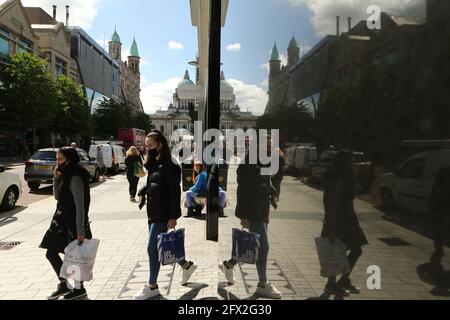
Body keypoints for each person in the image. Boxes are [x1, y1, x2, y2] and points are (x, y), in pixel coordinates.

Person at [133, 130, 197, 300]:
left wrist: (173, 216)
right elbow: (155, 182)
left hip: (163, 212)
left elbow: (174, 191)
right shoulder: (154, 162)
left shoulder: (170, 163)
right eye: (146, 146)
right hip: (152, 211)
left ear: (160, 144)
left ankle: (152, 285)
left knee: (152, 247)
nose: (148, 149)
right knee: (161, 246)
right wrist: (144, 189)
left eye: (151, 145)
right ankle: (186, 265)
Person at [219, 134, 284, 299]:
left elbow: (268, 181)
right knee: (263, 247)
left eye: (271, 146)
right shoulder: (247, 164)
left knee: (252, 244)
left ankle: (228, 265)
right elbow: (242, 192)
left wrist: (272, 193)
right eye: (267, 147)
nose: (270, 149)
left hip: (263, 210)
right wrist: (244, 215)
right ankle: (263, 284)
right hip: (253, 212)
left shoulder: (263, 162)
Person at [40, 147, 93, 300]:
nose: (57, 162)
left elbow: (80, 204)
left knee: (74, 256)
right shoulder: (65, 174)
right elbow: (57, 196)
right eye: (56, 159)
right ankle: (64, 284)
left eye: (60, 159)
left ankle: (79, 288)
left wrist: (80, 230)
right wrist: (56, 177)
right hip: (60, 219)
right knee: (50, 252)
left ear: (69, 159)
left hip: (73, 222)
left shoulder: (76, 176)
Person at [321, 150, 368, 297]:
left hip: (348, 219)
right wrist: (331, 227)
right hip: (339, 220)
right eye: (350, 160)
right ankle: (333, 284)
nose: (353, 163)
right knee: (336, 252)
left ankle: (342, 280)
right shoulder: (337, 179)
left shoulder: (346, 177)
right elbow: (332, 204)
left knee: (354, 250)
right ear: (343, 162)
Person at [429, 167, 450, 271]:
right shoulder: (444, 171)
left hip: (442, 209)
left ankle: (439, 247)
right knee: (442, 230)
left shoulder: (443, 171)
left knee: (441, 230)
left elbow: (434, 191)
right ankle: (439, 247)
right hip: (443, 209)